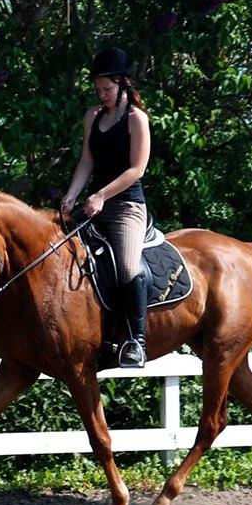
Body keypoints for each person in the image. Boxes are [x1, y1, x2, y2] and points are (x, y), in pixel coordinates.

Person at [61, 47, 151, 369]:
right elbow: (87, 160)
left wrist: (100, 195)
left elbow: (136, 170)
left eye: (107, 88)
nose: (102, 94)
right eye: (98, 88)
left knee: (127, 268)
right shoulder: (93, 116)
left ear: (123, 83)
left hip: (126, 207)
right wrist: (72, 195)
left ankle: (137, 342)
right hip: (92, 206)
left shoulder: (136, 119)